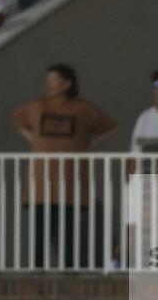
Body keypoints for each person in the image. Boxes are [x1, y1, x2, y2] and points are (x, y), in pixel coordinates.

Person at [11, 64, 117, 268]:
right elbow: (18, 121)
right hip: (41, 179)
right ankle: (38, 268)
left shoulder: (82, 108)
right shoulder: (36, 105)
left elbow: (110, 127)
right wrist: (35, 141)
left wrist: (87, 146)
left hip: (70, 179)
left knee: (68, 229)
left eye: (54, 79)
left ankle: (69, 267)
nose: (49, 84)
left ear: (67, 83)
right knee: (41, 227)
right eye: (48, 79)